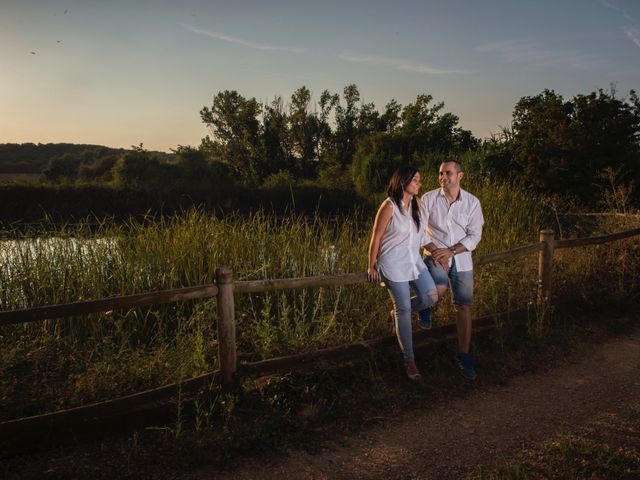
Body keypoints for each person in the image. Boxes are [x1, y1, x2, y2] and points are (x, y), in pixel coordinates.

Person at [368, 166, 439, 382]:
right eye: (415, 180)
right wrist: (371, 265)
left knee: (431, 296)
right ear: (403, 182)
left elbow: (423, 237)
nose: (419, 183)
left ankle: (399, 314)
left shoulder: (418, 204)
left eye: (419, 180)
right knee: (404, 310)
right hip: (392, 265)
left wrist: (438, 252)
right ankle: (409, 360)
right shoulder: (389, 206)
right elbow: (376, 237)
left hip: (413, 262)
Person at [421, 159, 484, 380]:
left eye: (447, 173)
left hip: (462, 259)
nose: (442, 177)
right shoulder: (428, 198)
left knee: (463, 307)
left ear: (460, 176)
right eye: (440, 173)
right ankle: (423, 306)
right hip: (435, 256)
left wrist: (451, 252)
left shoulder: (472, 202)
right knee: (437, 292)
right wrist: (437, 251)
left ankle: (464, 356)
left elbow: (475, 235)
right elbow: (419, 230)